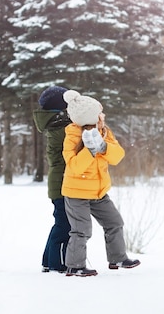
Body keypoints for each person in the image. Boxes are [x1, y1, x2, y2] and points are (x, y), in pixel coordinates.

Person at [61, 89, 140, 277]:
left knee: (114, 222)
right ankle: (75, 265)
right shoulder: (72, 134)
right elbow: (74, 166)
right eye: (99, 112)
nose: (102, 115)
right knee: (82, 230)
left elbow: (118, 156)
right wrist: (89, 150)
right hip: (77, 193)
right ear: (91, 116)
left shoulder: (104, 131)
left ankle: (117, 258)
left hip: (99, 192)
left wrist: (103, 146)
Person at [33, 86, 72, 273]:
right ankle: (56, 263)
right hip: (62, 184)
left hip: (60, 183)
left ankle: (48, 261)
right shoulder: (61, 129)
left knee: (61, 223)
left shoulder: (57, 125)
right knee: (64, 225)